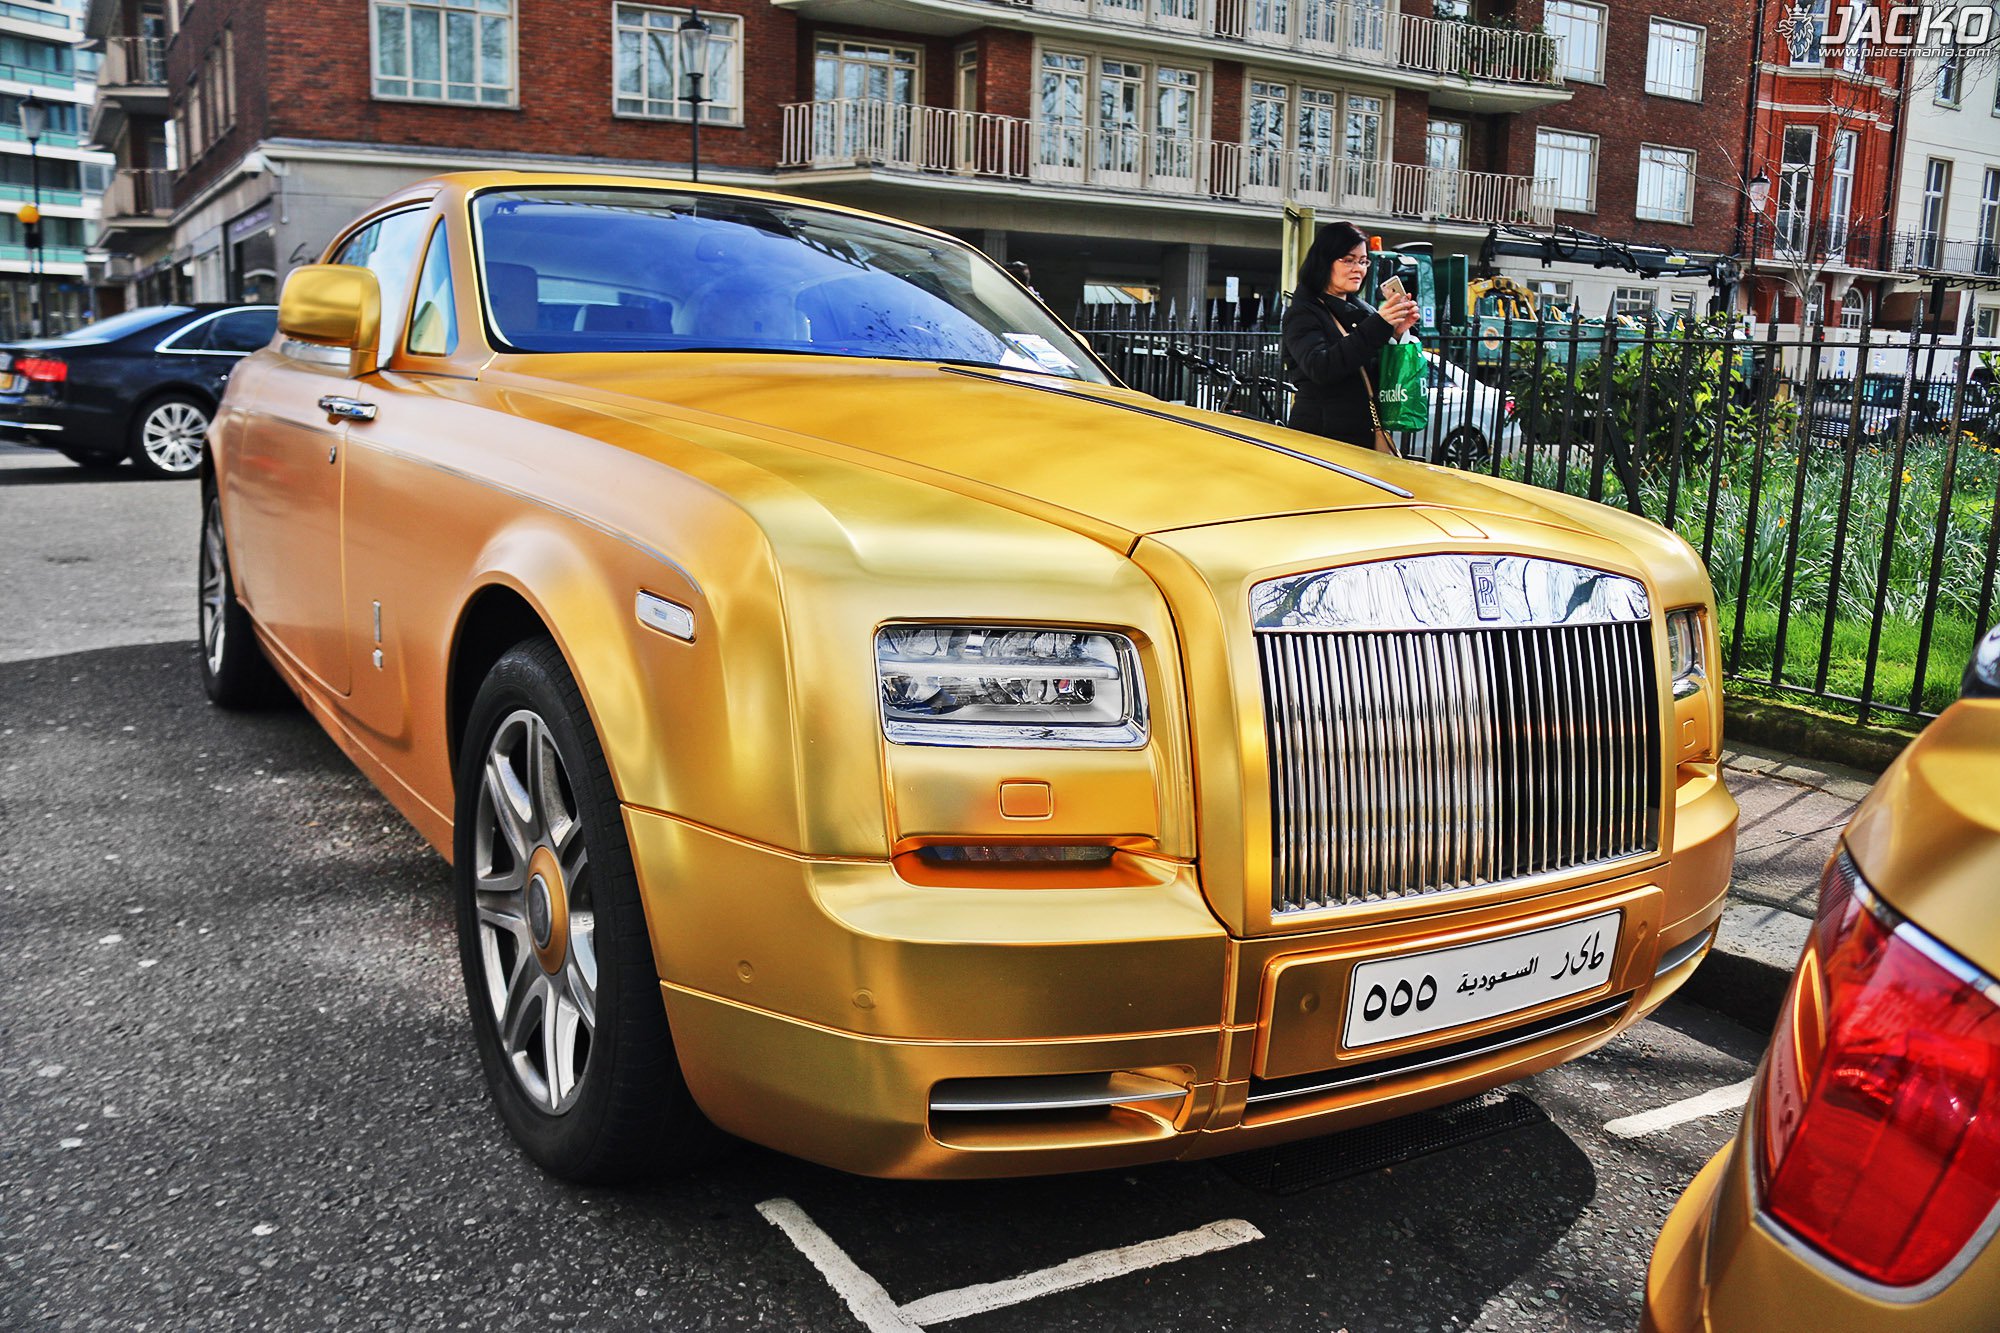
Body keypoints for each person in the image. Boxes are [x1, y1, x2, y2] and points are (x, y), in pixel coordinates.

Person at [1281, 222, 1421, 452]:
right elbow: (1321, 367)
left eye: (1363, 260)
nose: (1359, 268)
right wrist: (1379, 325)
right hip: (1321, 440)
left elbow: (1377, 371)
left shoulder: (1365, 310)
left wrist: (1397, 333)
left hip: (1364, 437)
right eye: (1348, 260)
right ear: (1324, 260)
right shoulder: (1303, 312)